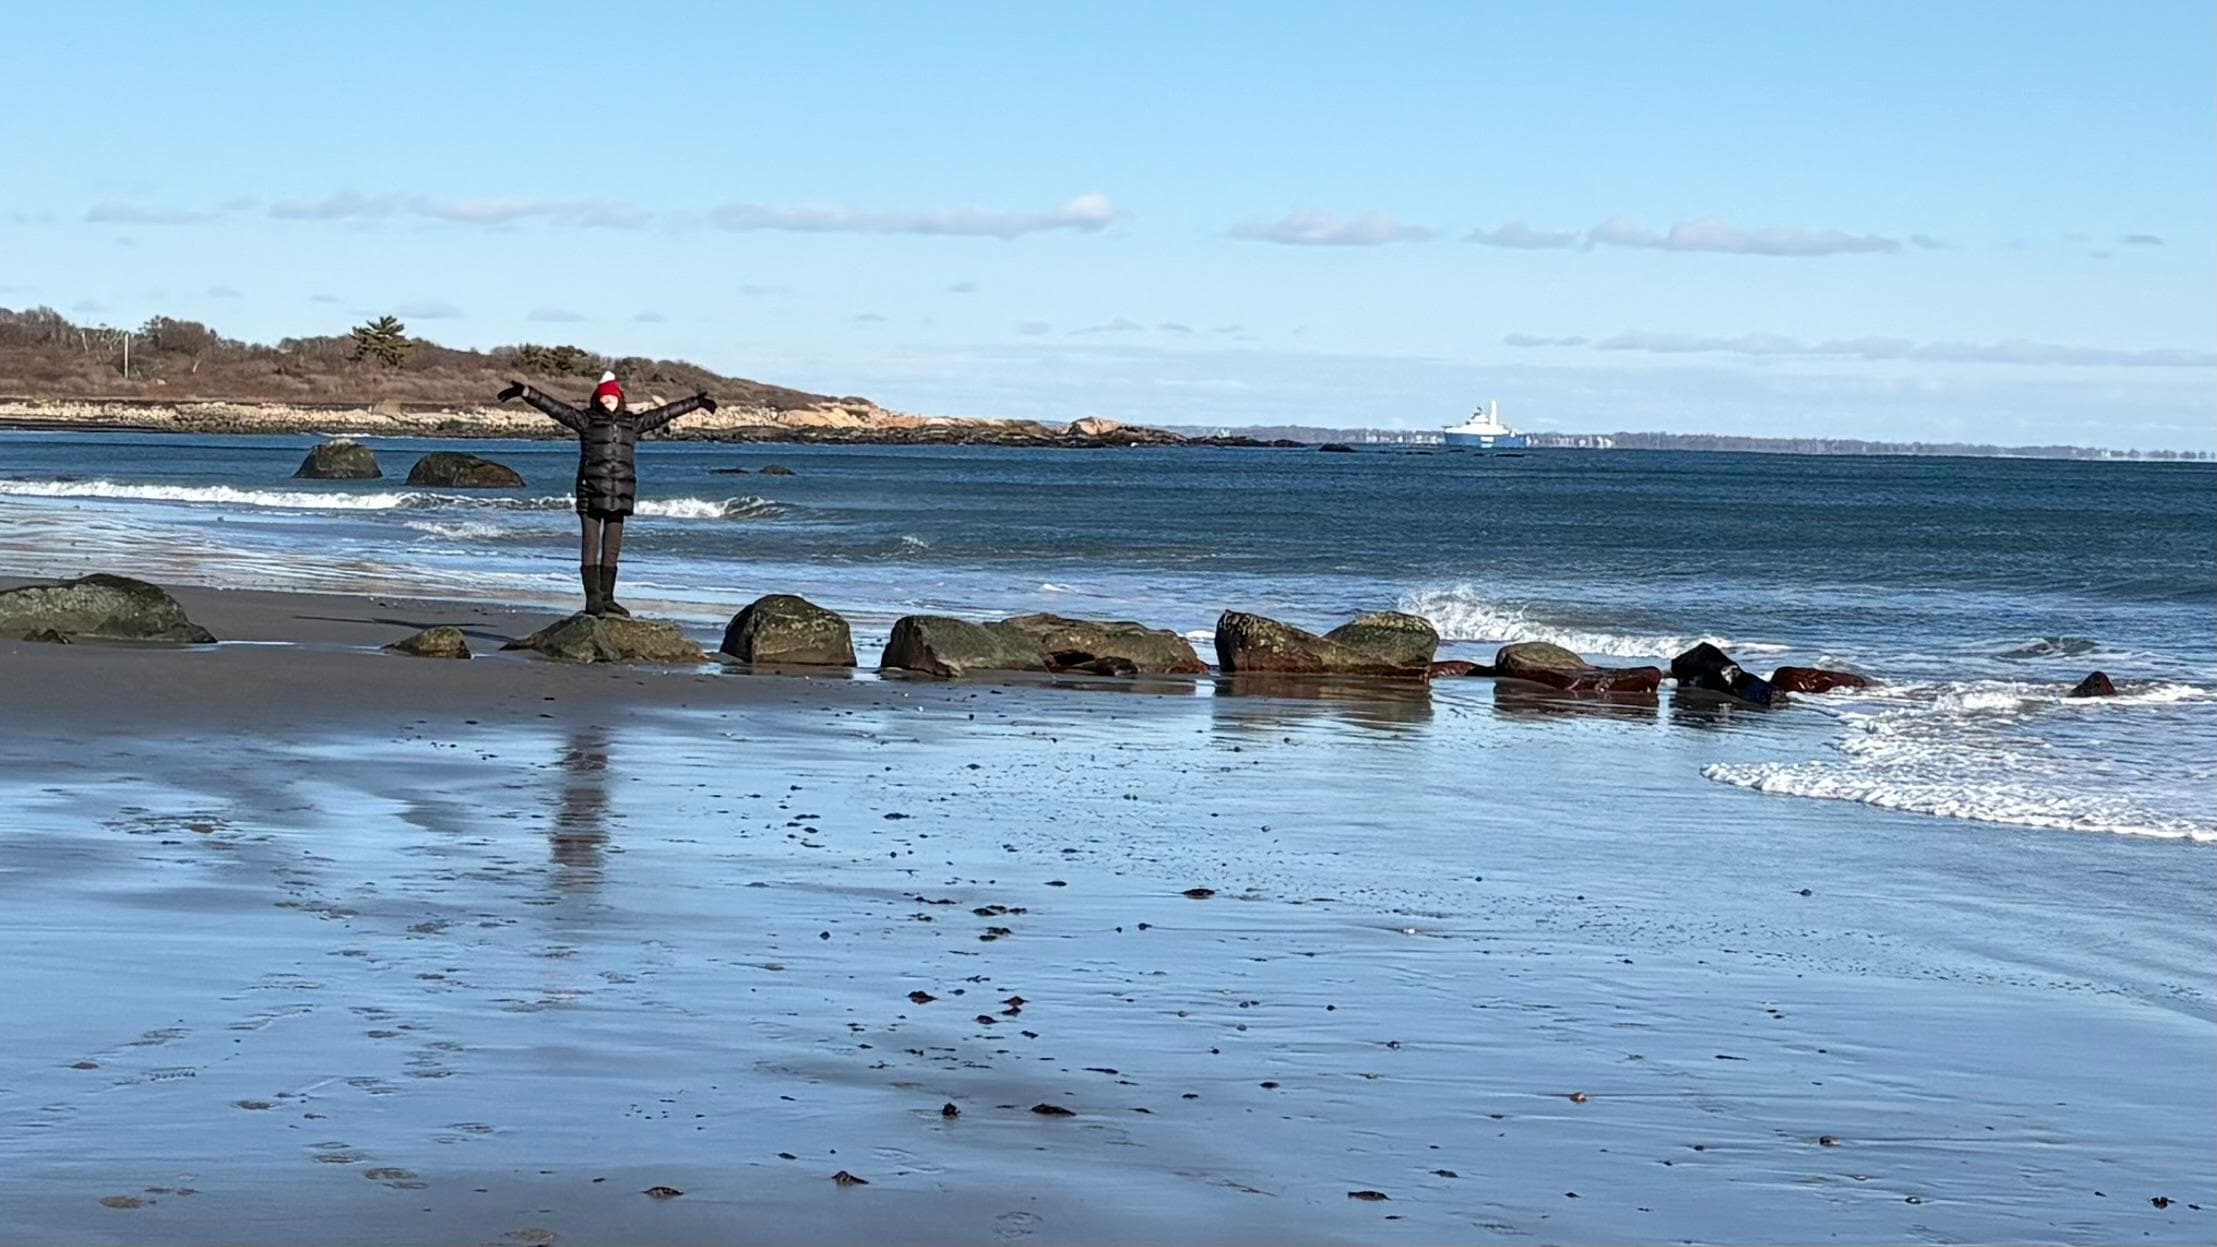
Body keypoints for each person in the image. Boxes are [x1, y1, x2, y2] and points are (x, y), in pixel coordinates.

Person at [497, 371, 717, 616]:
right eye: (603, 398)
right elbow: (555, 408)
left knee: (612, 547)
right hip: (590, 489)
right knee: (590, 544)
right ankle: (593, 599)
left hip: (620, 492)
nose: (607, 401)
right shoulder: (585, 421)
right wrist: (527, 393)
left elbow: (663, 414)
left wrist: (695, 403)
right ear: (597, 399)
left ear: (619, 398)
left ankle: (608, 597)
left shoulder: (632, 423)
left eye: (611, 397)